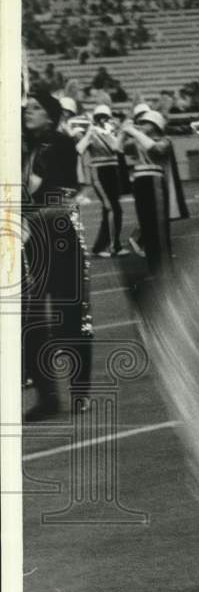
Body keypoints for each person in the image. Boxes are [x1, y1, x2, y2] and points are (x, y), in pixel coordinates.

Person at [21, 87, 93, 420]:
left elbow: (33, 188)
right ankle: (47, 397)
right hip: (33, 236)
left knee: (71, 313)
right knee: (31, 319)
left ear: (50, 115)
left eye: (35, 108)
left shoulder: (59, 144)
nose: (27, 111)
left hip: (59, 233)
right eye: (26, 107)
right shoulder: (26, 146)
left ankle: (80, 392)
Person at [119, 109, 188, 275]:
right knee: (146, 224)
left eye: (145, 123)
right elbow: (118, 148)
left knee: (159, 226)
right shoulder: (137, 140)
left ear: (155, 125)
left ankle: (165, 267)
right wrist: (123, 131)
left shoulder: (165, 140)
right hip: (140, 183)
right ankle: (153, 266)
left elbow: (156, 149)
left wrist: (134, 131)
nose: (140, 125)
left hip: (155, 181)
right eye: (140, 123)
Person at [77, 103, 129, 256]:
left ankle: (107, 246)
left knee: (113, 209)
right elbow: (79, 149)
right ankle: (108, 246)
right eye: (102, 118)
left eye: (106, 118)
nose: (105, 120)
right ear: (97, 119)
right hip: (100, 173)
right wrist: (88, 134)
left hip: (113, 171)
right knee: (112, 208)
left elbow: (119, 149)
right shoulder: (94, 132)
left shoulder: (109, 132)